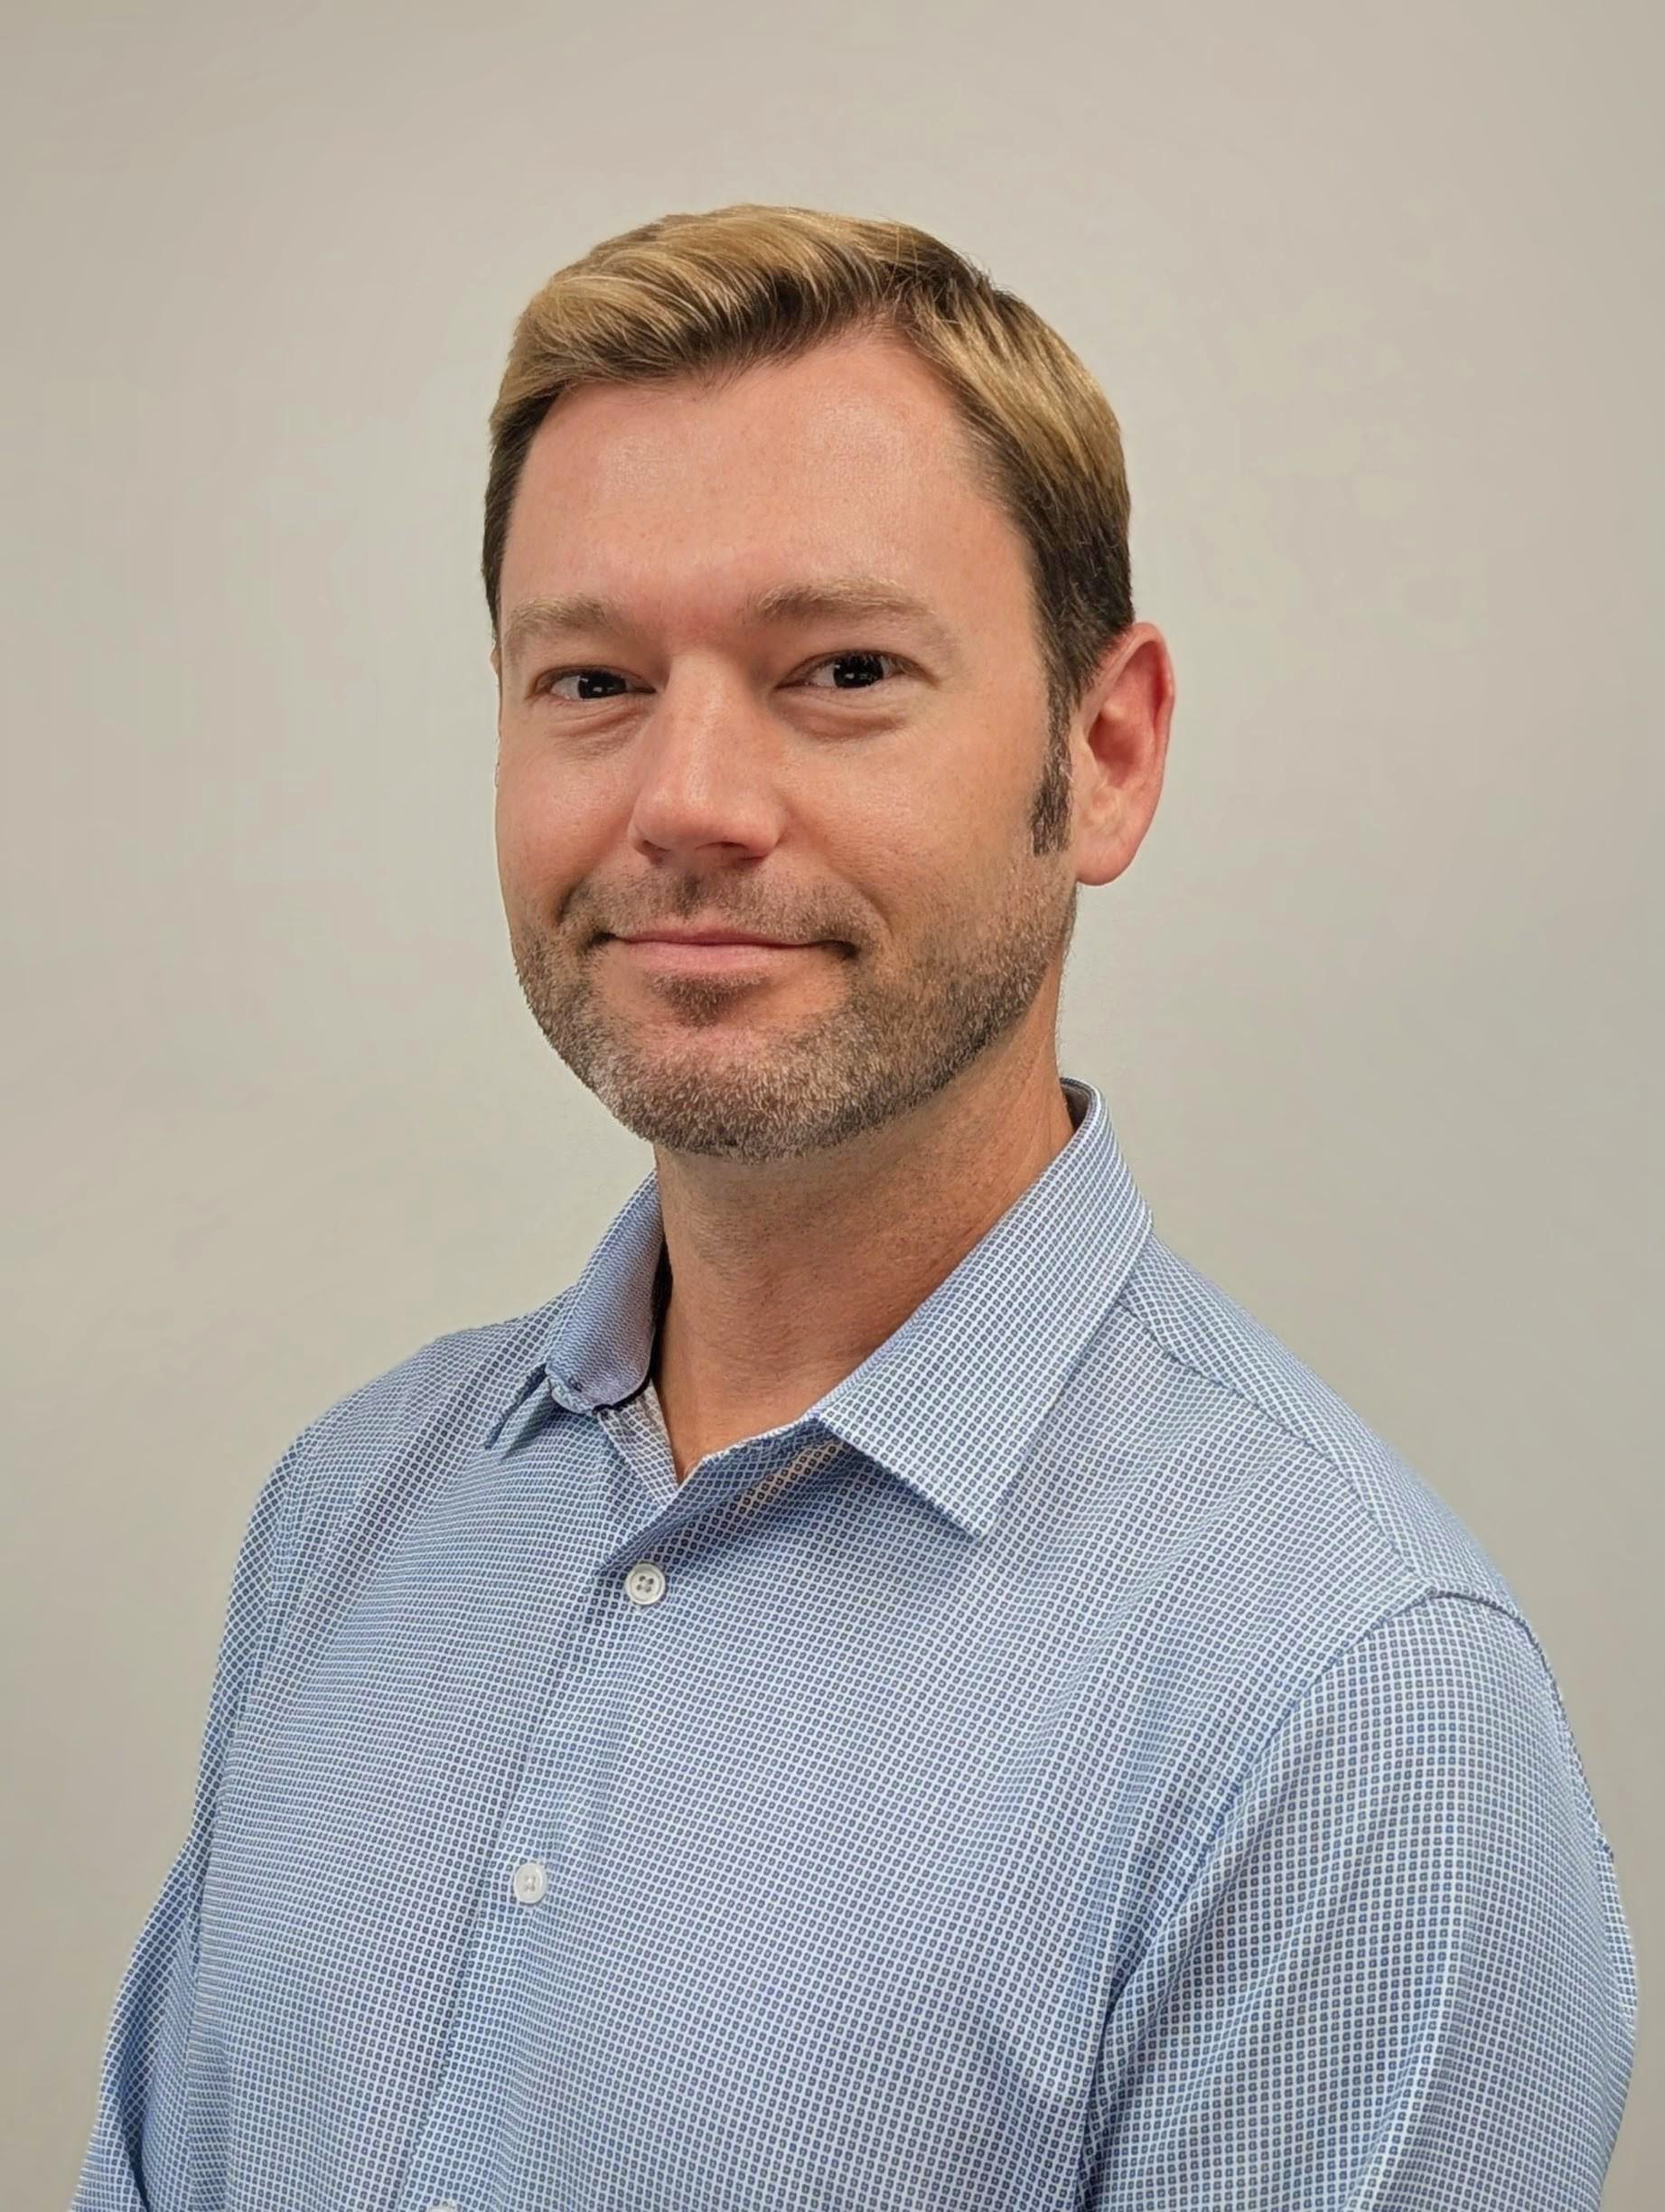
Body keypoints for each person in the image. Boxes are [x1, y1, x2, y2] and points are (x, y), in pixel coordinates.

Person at [72, 202, 1634, 2212]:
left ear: (1105, 750)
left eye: (842, 671)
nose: (687, 800)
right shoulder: (350, 1517)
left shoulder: (1347, 1705)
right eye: (590, 679)